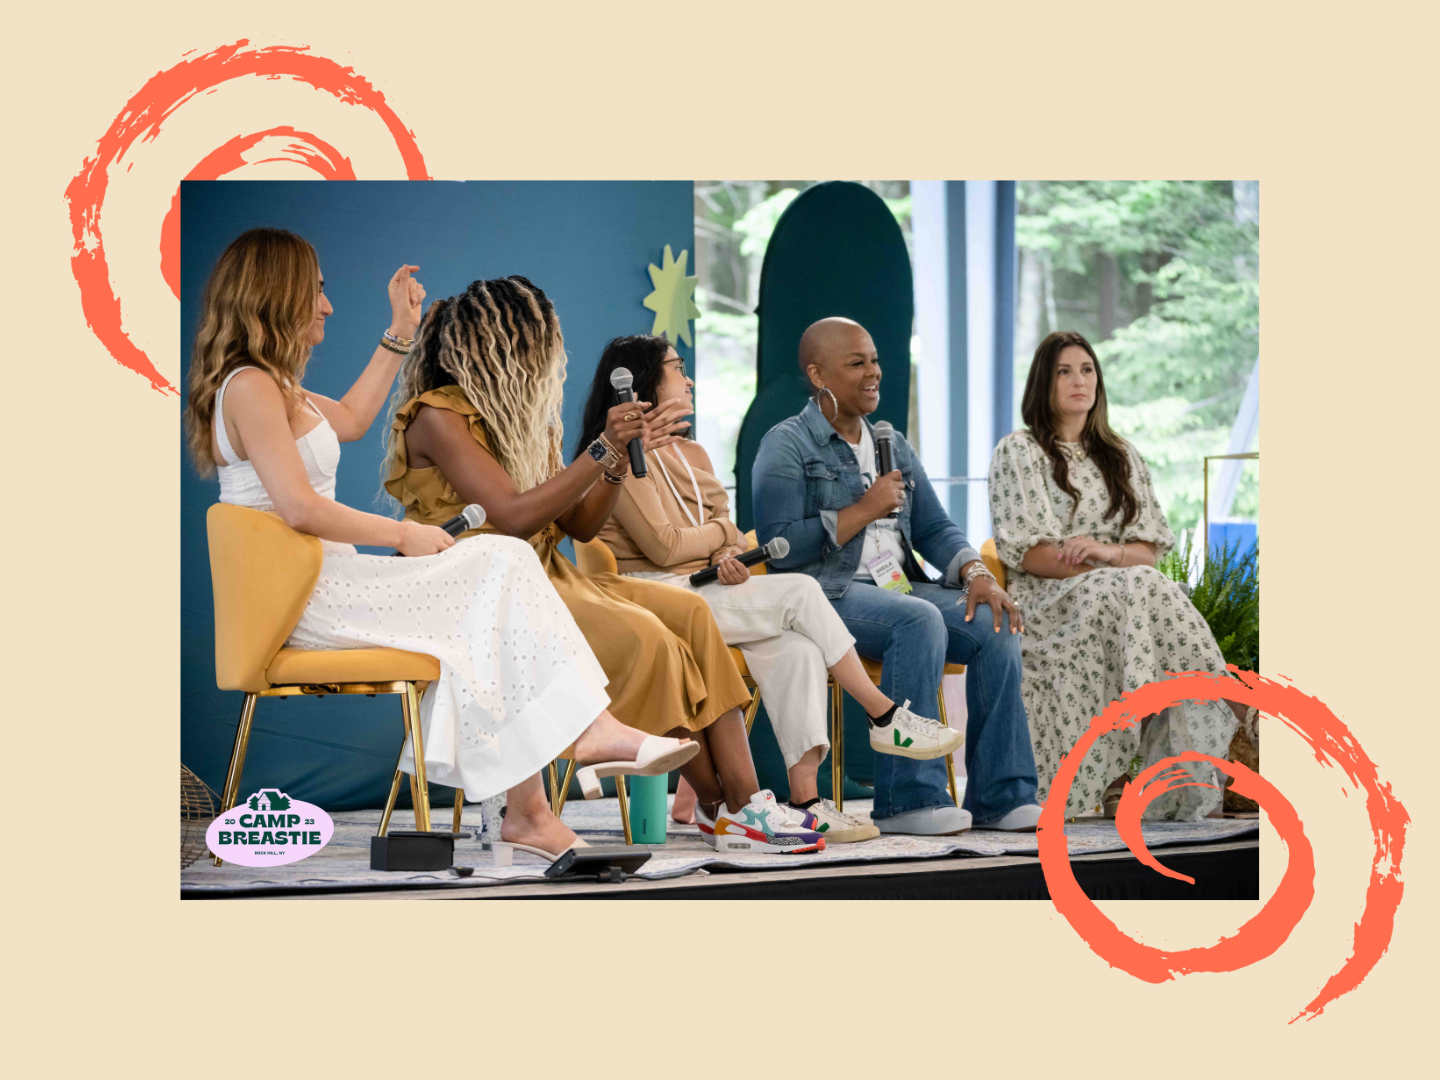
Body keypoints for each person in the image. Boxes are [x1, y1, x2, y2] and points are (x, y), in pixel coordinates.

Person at [185, 228, 698, 864]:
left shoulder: (271, 386)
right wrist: (402, 534)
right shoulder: (249, 387)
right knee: (496, 567)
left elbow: (349, 419)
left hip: (326, 581)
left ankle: (539, 801)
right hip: (303, 595)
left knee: (496, 575)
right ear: (279, 292)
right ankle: (566, 763)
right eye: (316, 290)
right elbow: (297, 506)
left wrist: (401, 329)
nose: (326, 305)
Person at [383, 278, 826, 853]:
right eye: (542, 339)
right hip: (486, 588)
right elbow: (514, 517)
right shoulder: (437, 416)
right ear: (502, 342)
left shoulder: (528, 420)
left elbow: (580, 526)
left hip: (550, 574)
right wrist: (600, 447)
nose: (552, 353)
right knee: (648, 638)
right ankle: (731, 809)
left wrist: (615, 459)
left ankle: (741, 806)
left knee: (691, 614)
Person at [582, 335, 958, 844]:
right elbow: (666, 548)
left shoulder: (693, 452)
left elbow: (723, 535)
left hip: (708, 590)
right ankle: (884, 714)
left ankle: (806, 802)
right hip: (654, 597)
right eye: (677, 369)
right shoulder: (618, 458)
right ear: (645, 384)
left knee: (800, 648)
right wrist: (723, 539)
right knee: (802, 590)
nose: (688, 379)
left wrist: (726, 557)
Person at [752, 317, 1043, 835]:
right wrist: (863, 508)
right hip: (825, 592)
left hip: (900, 587)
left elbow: (934, 527)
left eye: (876, 361)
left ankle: (1001, 796)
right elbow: (779, 548)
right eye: (857, 362)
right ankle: (908, 798)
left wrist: (975, 572)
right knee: (919, 621)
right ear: (818, 375)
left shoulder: (891, 442)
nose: (874, 373)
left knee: (994, 621)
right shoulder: (787, 444)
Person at [988, 330, 1246, 820]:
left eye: (1087, 370)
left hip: (1120, 594)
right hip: (1047, 602)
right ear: (1043, 382)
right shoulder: (1019, 451)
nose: (1078, 380)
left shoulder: (1120, 455)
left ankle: (1162, 770)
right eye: (1064, 371)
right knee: (1140, 588)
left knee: (1140, 587)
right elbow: (1032, 556)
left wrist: (1105, 554)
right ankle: (1238, 706)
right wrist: (1107, 564)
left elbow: (1147, 553)